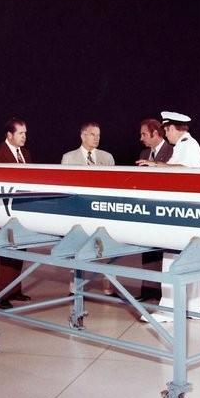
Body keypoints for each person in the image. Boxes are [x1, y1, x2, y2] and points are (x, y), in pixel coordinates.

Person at [136, 111, 200, 322]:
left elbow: (183, 169)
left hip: (181, 212)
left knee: (171, 258)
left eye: (166, 130)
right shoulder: (184, 145)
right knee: (191, 258)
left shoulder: (188, 145)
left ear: (173, 128)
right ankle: (194, 308)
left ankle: (167, 311)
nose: (166, 135)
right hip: (189, 211)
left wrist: (156, 165)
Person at [61, 122, 115, 294]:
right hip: (79, 212)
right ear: (83, 136)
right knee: (77, 247)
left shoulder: (107, 158)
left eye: (98, 135)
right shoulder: (69, 158)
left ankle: (108, 287)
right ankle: (75, 287)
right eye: (93, 134)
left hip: (102, 212)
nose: (97, 138)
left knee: (107, 248)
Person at [0, 117, 32, 309]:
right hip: (4, 211)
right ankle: (2, 296)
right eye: (21, 133)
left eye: (25, 133)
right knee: (7, 251)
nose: (24, 137)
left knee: (21, 248)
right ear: (9, 135)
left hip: (23, 209)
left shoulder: (26, 154)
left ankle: (15, 290)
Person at [137, 118, 173, 301]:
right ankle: (148, 290)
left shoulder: (172, 151)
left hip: (165, 210)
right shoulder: (144, 153)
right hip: (147, 209)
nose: (141, 138)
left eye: (144, 134)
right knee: (148, 249)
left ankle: (165, 294)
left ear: (156, 134)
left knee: (165, 252)